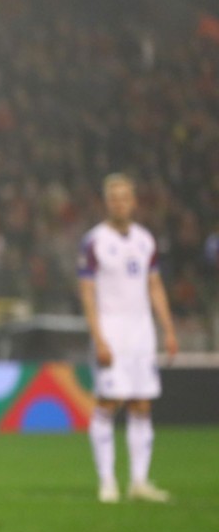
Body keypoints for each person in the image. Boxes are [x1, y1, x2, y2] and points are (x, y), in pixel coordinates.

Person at [78, 173, 178, 504]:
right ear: (106, 203)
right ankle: (107, 481)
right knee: (109, 401)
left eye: (124, 197)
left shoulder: (145, 240)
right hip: (111, 330)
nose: (119, 203)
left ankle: (139, 481)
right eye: (114, 198)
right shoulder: (94, 241)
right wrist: (99, 337)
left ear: (133, 202)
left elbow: (154, 286)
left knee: (141, 404)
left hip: (142, 332)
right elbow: (87, 293)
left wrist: (168, 328)